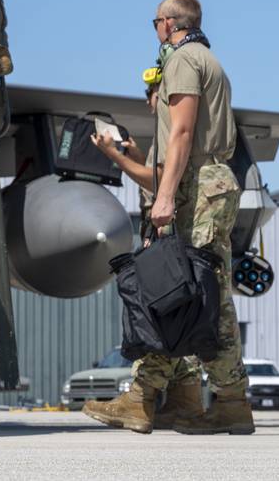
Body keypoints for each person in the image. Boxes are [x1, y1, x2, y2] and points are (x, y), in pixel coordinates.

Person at [82, 0, 253, 435]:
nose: (154, 29)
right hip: (204, 183)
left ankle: (154, 398)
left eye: (155, 21)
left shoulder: (182, 59)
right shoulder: (205, 59)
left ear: (170, 23)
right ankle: (190, 398)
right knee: (187, 292)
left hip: (199, 187)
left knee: (189, 293)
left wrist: (164, 197)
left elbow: (181, 131)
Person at [90, 81, 206, 431]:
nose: (148, 100)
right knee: (178, 311)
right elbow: (156, 178)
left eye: (154, 91)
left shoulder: (175, 131)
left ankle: (139, 402)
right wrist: (139, 159)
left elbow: (160, 184)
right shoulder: (168, 133)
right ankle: (185, 400)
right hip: (171, 229)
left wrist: (115, 157)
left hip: (166, 231)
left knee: (157, 311)